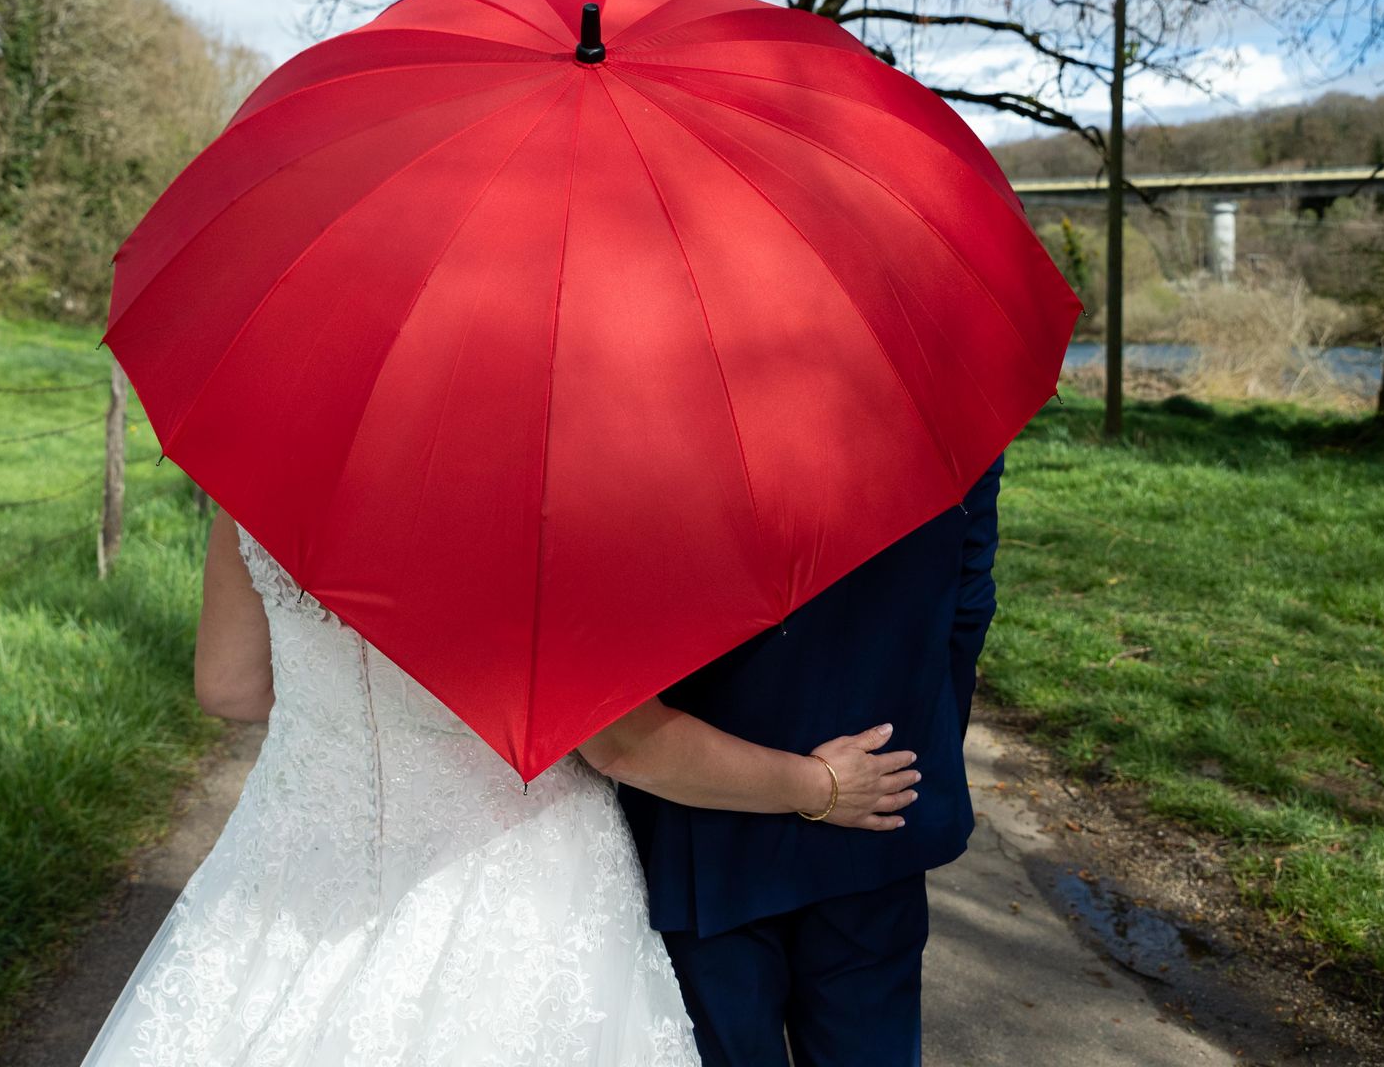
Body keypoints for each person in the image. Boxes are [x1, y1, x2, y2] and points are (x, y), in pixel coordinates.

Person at [76, 508, 921, 1067]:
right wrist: (817, 786)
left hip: (292, 856)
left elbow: (229, 687)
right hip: (503, 884)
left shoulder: (260, 485)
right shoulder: (533, 507)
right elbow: (623, 746)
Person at [617, 453, 1006, 1067]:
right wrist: (910, 761)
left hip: (710, 819)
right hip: (875, 797)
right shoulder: (934, 381)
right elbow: (967, 598)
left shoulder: (647, 406)